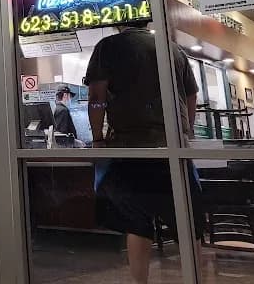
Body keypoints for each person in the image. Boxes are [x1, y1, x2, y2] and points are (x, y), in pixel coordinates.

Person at [85, 22, 202, 284]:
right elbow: (191, 96)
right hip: (173, 145)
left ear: (118, 22)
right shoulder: (173, 49)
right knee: (187, 219)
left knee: (137, 221)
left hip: (132, 145)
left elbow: (97, 96)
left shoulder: (108, 47)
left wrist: (98, 138)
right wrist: (187, 131)